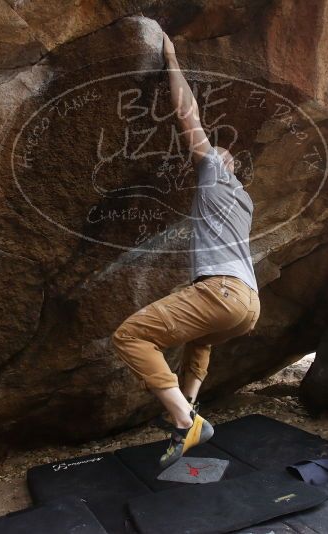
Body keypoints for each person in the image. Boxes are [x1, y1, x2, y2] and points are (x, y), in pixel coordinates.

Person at [111, 31, 261, 469]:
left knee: (131, 335)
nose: (214, 149)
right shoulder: (244, 201)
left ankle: (183, 420)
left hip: (224, 293)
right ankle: (189, 406)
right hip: (247, 306)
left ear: (225, 163)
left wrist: (171, 57)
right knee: (200, 338)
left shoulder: (214, 171)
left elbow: (187, 114)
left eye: (220, 150)